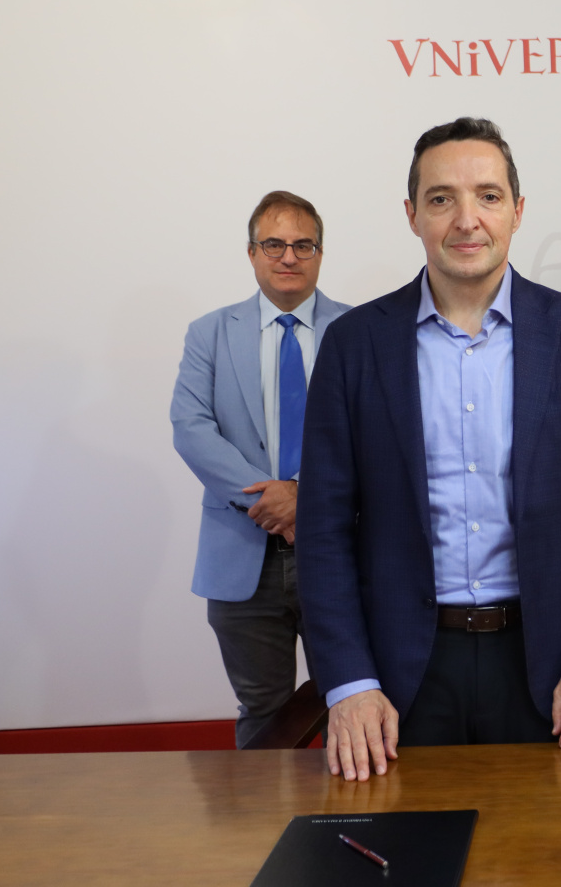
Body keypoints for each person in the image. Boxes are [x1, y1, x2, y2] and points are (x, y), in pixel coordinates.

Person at [298, 117, 561, 781]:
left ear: (518, 211)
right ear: (412, 215)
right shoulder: (353, 347)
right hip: (399, 675)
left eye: (487, 196)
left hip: (547, 665)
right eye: (440, 199)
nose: (466, 219)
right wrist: (348, 684)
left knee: (550, 864)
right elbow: (323, 533)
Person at [171, 190, 350, 748]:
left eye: (303, 244)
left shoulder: (358, 330)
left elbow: (375, 438)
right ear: (252, 253)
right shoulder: (210, 333)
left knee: (355, 697)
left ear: (320, 253)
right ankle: (261, 833)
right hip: (240, 553)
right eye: (274, 244)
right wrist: (269, 499)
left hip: (339, 552)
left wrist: (305, 497)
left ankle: (351, 825)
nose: (288, 256)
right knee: (263, 710)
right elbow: (192, 428)